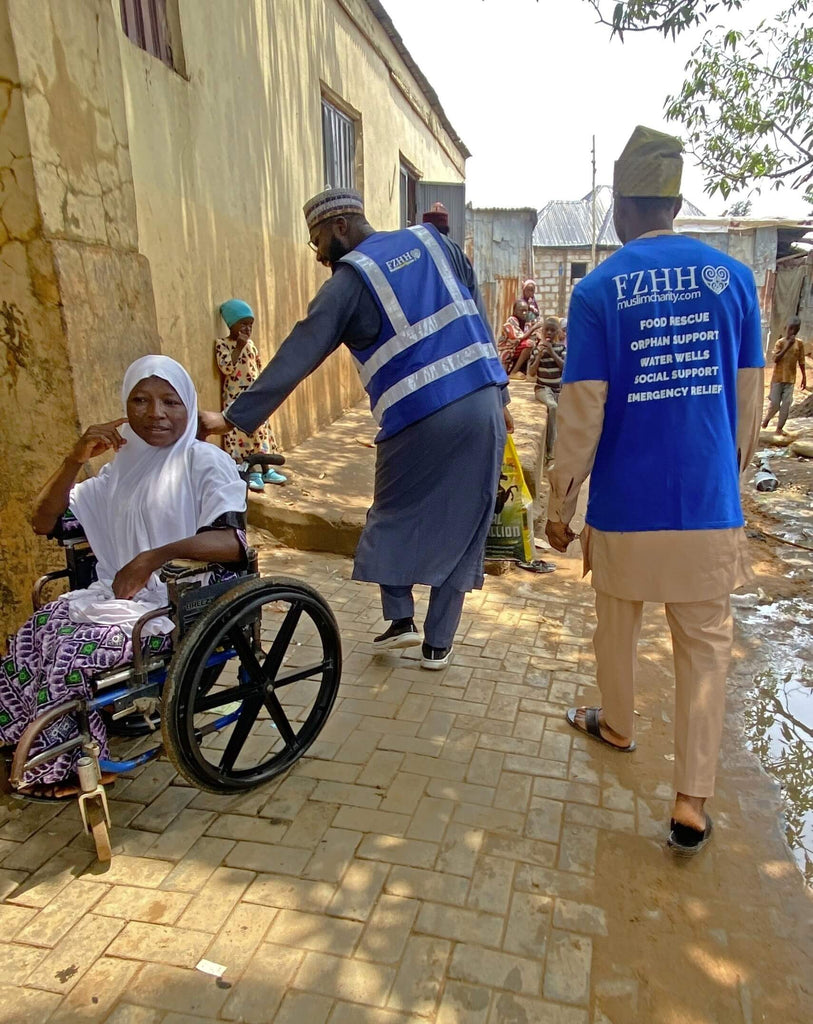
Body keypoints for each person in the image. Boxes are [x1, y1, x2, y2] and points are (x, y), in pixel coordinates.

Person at [544, 126, 764, 856]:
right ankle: (690, 803)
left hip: (626, 510)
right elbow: (746, 403)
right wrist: (729, 488)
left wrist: (559, 504)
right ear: (673, 200)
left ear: (618, 206)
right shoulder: (732, 281)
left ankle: (617, 725)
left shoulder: (598, 289)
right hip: (705, 507)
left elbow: (581, 408)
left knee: (616, 626)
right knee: (703, 652)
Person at [200, 187, 511, 670]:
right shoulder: (436, 243)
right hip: (482, 404)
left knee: (393, 513)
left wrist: (233, 417)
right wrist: (502, 392)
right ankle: (438, 645)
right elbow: (478, 314)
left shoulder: (348, 284)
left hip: (416, 418)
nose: (319, 254)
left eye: (318, 240)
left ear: (340, 226)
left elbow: (300, 350)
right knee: (466, 525)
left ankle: (401, 618)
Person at [0, 355, 247, 795]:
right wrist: (74, 459)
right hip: (114, 599)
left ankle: (73, 764)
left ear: (188, 406)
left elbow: (232, 543)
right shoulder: (118, 473)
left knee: (70, 653)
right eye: (141, 400)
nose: (155, 414)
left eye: (170, 402)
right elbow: (43, 521)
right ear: (124, 409)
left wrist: (153, 556)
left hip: (178, 604)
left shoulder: (203, 462)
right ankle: (26, 741)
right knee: (33, 633)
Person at [215, 299, 287, 491]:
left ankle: (266, 468)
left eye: (250, 325)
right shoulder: (223, 345)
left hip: (254, 397)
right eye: (243, 324)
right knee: (243, 434)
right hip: (236, 399)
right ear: (232, 325)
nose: (248, 329)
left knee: (260, 432)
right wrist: (238, 346)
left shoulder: (251, 346)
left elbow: (259, 368)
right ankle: (252, 470)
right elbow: (227, 368)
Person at [527, 316, 566, 461]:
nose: (549, 333)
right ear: (543, 332)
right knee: (552, 406)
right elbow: (531, 372)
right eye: (546, 330)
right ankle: (550, 452)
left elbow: (564, 367)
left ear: (557, 333)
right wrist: (539, 356)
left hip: (558, 390)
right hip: (542, 389)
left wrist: (552, 353)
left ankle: (559, 450)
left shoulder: (561, 349)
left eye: (552, 330)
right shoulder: (537, 349)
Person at [761, 316, 808, 433]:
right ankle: (767, 419)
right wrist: (787, 346)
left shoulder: (800, 344)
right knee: (775, 403)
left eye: (794, 330)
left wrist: (804, 377)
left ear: (797, 331)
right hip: (777, 378)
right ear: (785, 328)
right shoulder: (780, 343)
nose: (791, 332)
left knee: (786, 404)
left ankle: (779, 428)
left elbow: (801, 361)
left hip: (790, 379)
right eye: (790, 329)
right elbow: (775, 359)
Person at [498, 299, 538, 376]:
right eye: (521, 310)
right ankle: (514, 371)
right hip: (508, 349)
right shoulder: (512, 320)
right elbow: (519, 337)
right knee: (529, 344)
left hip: (516, 348)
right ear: (515, 311)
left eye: (526, 311)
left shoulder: (526, 322)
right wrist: (534, 328)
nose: (524, 313)